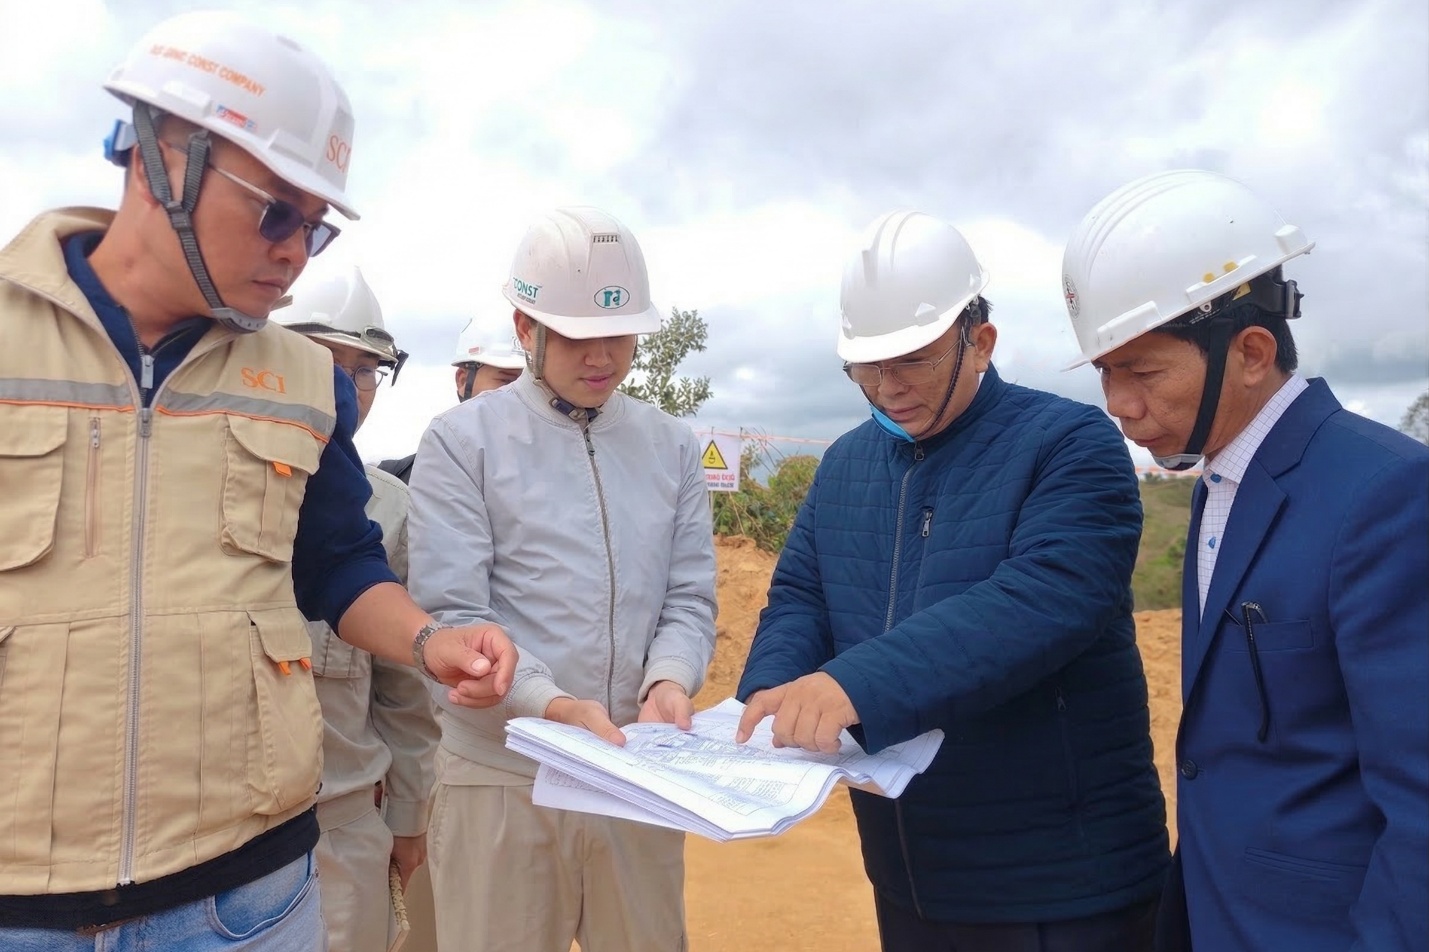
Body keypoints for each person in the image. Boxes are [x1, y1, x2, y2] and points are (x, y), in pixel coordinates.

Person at [0, 12, 514, 950]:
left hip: (246, 901)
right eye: (275, 211)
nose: (294, 252)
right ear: (160, 161)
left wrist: (429, 638)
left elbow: (339, 564)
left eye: (314, 229)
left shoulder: (306, 383)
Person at [735, 210, 1169, 952]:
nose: (887, 388)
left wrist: (852, 685)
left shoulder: (1068, 443)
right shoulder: (845, 463)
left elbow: (1045, 599)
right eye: (866, 368)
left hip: (1060, 880)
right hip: (909, 871)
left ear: (981, 342)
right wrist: (775, 683)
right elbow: (803, 595)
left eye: (912, 361)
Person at [1061, 169, 1428, 952]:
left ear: (1251, 352)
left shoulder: (1386, 496)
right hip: (1218, 911)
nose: (1118, 404)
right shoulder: (1220, 479)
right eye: (1105, 373)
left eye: (1142, 372)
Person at [407, 206, 717, 952]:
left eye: (620, 334)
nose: (601, 357)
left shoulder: (672, 446)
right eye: (576, 336)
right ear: (526, 327)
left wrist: (668, 680)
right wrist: (551, 705)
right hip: (503, 775)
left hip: (633, 775)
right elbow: (455, 611)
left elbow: (687, 595)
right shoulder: (463, 441)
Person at [276, 267, 440, 952]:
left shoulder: (392, 508)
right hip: (213, 836)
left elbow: (403, 689)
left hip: (341, 828)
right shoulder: (204, 483)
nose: (346, 387)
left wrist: (408, 816)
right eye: (323, 361)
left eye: (365, 369)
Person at [377, 315, 524, 483]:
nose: (521, 396)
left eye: (532, 385)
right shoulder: (393, 483)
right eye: (507, 381)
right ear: (463, 380)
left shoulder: (546, 478)